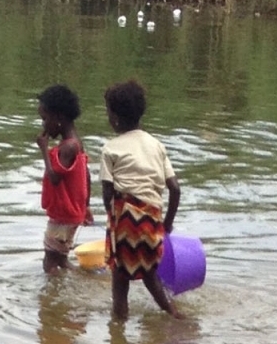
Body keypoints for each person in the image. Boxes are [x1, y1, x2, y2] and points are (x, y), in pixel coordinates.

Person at [99, 79, 184, 320]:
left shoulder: (110, 149)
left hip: (125, 218)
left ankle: (118, 326)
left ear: (114, 118)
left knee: (119, 278)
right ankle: (173, 314)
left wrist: (114, 222)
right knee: (149, 274)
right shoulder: (156, 145)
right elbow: (175, 189)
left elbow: (107, 195)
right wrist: (166, 223)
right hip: (151, 219)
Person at [37, 84, 95, 273]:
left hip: (63, 216)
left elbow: (54, 178)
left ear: (59, 118)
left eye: (45, 119)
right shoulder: (76, 143)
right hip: (70, 214)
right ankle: (85, 277)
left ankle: (56, 298)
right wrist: (86, 206)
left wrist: (44, 150)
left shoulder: (68, 148)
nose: (44, 125)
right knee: (61, 259)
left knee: (50, 263)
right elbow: (86, 175)